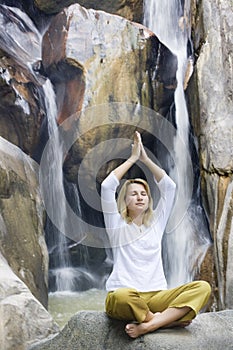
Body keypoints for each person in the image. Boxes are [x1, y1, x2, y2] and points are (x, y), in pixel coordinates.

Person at [101, 131, 211, 339]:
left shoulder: (156, 225)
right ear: (125, 201)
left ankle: (149, 325)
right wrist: (132, 159)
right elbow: (107, 186)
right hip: (128, 296)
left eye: (144, 194)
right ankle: (163, 320)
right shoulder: (116, 225)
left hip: (157, 295)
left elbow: (169, 187)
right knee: (121, 297)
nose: (140, 197)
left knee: (202, 287)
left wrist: (145, 159)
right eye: (134, 194)